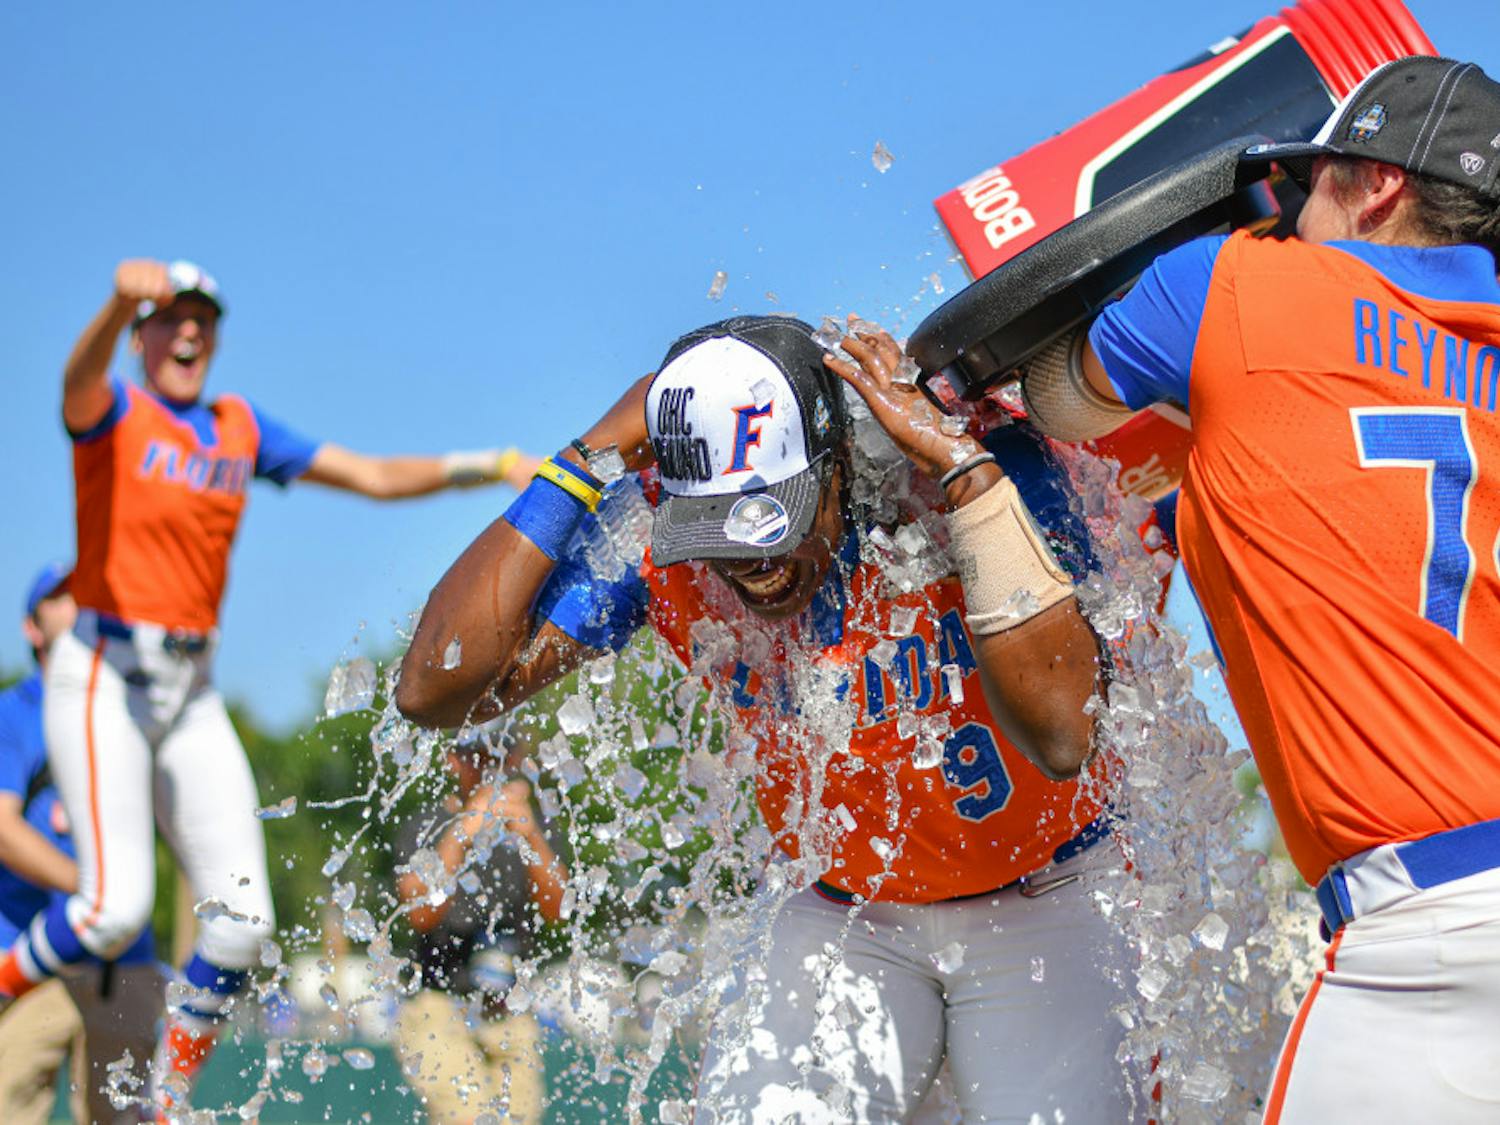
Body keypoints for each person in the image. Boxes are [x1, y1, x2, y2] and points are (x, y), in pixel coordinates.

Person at [397, 315, 1131, 1122]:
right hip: (845, 911)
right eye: (716, 529)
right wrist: (585, 458)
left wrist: (961, 466)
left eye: (775, 519)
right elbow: (437, 689)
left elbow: (1067, 732)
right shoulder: (651, 533)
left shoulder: (961, 467)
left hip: (1047, 891)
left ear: (840, 460)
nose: (752, 565)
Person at [1018, 55, 1500, 1123]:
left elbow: (1057, 401)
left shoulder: (1234, 283)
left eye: (1314, 183)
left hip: (1434, 926)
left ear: (1377, 185)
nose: (1289, 213)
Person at [0, 258, 541, 1116]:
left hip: (191, 683)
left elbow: (367, 474)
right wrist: (114, 300)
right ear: (143, 335)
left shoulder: (236, 426)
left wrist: (495, 460)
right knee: (113, 907)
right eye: (170, 317)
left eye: (203, 319)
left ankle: (163, 1100)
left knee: (241, 926)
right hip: (105, 668)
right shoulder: (118, 409)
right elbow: (76, 379)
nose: (188, 331)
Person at [0, 563, 160, 1124]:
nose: (73, 605)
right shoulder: (14, 713)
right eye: (58, 598)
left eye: (81, 594)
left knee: (127, 1116)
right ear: (31, 627)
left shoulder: (128, 705)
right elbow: (2, 828)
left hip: (126, 963)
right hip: (27, 958)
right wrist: (99, 891)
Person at [393, 735, 568, 1124]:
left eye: (502, 755)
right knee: (465, 1117)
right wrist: (464, 830)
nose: (491, 766)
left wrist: (530, 836)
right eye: (478, 756)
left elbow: (560, 909)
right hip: (438, 1005)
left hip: (509, 1010)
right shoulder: (425, 825)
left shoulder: (536, 825)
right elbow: (419, 912)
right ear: (452, 761)